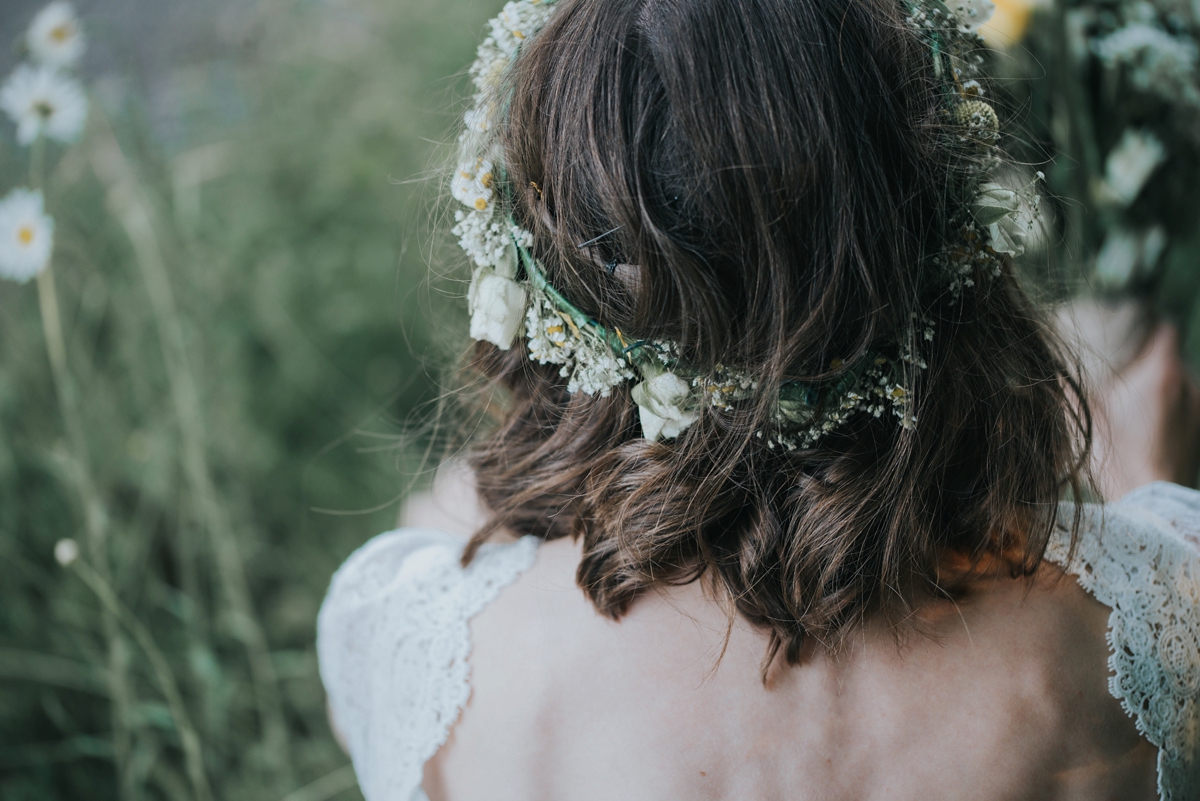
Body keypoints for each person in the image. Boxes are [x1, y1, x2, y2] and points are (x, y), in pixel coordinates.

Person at [316, 0, 1200, 798]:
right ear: (936, 225)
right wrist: (1142, 485)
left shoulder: (425, 649)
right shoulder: (1147, 618)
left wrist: (481, 516)